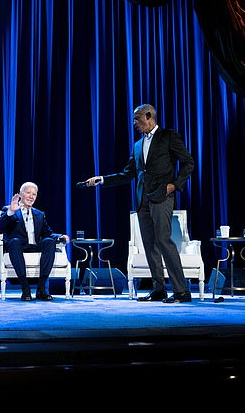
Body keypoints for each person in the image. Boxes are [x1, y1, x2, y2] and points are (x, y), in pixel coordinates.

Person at [82, 103, 194, 303]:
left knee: (163, 241)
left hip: (162, 196)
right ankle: (159, 288)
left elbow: (188, 162)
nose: (134, 123)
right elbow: (128, 173)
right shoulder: (137, 145)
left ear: (149, 116)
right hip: (142, 200)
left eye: (137, 119)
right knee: (150, 245)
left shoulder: (168, 136)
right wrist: (103, 179)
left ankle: (181, 291)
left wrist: (175, 185)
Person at [0, 182, 70, 301]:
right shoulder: (9, 210)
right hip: (18, 247)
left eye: (34, 194)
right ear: (20, 195)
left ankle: (41, 289)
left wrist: (61, 236)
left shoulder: (39, 214)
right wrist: (10, 212)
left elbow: (48, 233)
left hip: (35, 245)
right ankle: (25, 288)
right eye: (28, 193)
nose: (31, 196)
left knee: (49, 241)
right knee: (14, 242)